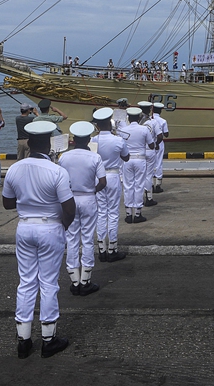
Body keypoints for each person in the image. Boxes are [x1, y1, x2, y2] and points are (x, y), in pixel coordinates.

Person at [3, 120, 76, 359]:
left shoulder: (15, 168)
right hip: (50, 228)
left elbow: (7, 203)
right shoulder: (57, 171)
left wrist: (27, 200)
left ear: (29, 144)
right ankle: (48, 338)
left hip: (24, 227)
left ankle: (23, 340)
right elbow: (69, 207)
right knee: (48, 283)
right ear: (48, 144)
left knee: (26, 282)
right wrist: (61, 226)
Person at [58, 121, 106, 296]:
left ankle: (74, 280)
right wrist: (91, 190)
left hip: (70, 198)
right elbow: (102, 182)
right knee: (87, 238)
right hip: (88, 199)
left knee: (71, 238)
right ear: (87, 140)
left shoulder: (64, 157)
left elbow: (59, 180)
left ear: (73, 140)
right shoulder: (95, 157)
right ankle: (86, 279)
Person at [91, 107, 130, 262]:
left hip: (98, 177)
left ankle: (101, 248)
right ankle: (112, 248)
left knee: (101, 212)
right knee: (113, 213)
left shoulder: (93, 140)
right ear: (110, 123)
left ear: (98, 126)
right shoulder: (118, 140)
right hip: (113, 175)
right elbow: (126, 157)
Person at [119, 106, 154, 223]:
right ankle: (138, 214)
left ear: (128, 117)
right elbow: (152, 145)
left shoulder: (124, 130)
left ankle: (128, 214)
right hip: (140, 159)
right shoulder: (144, 129)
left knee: (128, 186)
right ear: (139, 117)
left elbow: (120, 145)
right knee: (139, 185)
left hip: (127, 160)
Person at [149, 101, 169, 194]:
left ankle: (150, 184)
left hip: (149, 143)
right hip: (159, 143)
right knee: (159, 162)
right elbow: (166, 134)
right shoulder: (163, 121)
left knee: (150, 163)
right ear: (160, 110)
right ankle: (158, 184)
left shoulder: (149, 120)